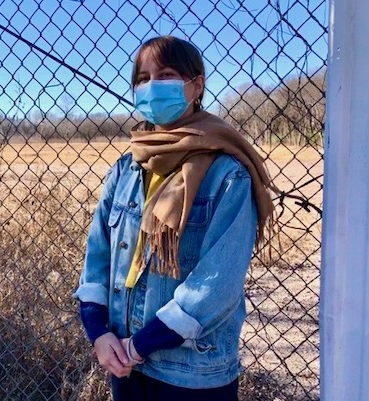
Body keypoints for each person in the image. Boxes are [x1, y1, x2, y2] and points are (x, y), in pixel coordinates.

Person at [73, 35, 278, 401]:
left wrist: (140, 344)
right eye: (142, 78)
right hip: (123, 357)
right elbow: (98, 256)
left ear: (196, 84)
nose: (151, 86)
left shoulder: (228, 175)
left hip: (190, 372)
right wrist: (99, 333)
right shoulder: (126, 168)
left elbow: (216, 285)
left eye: (166, 74)